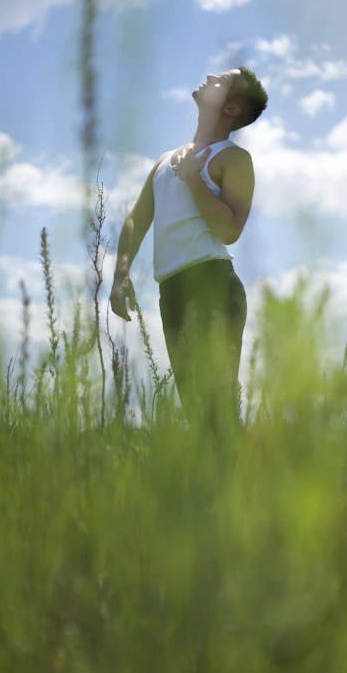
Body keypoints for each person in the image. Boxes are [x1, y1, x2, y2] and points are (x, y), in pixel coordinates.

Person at [110, 66, 268, 452]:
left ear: (230, 107)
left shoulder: (234, 158)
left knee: (217, 408)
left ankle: (244, 494)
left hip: (213, 284)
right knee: (198, 411)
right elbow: (136, 217)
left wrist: (195, 180)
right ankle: (215, 497)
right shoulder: (166, 160)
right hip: (173, 292)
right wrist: (121, 275)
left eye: (222, 80)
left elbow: (230, 230)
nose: (211, 75)